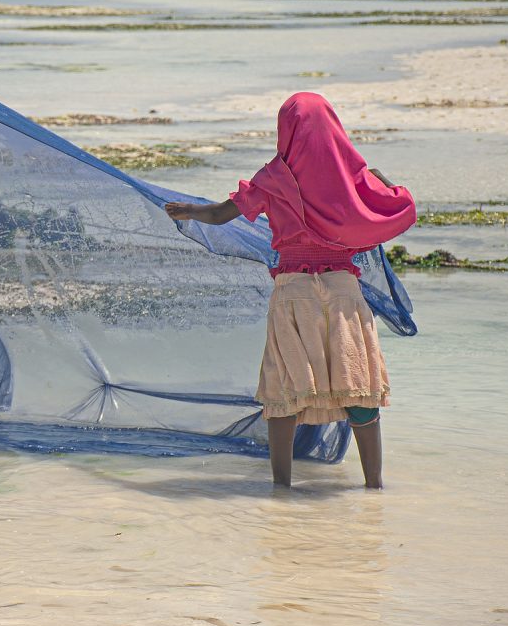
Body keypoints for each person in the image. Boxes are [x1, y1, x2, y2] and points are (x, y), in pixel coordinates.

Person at [164, 93, 416, 489]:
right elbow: (400, 208)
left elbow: (219, 214)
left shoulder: (273, 177)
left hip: (293, 292)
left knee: (283, 388)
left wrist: (188, 211)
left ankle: (281, 488)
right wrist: (380, 178)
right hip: (344, 292)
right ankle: (374, 489)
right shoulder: (354, 178)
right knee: (358, 390)